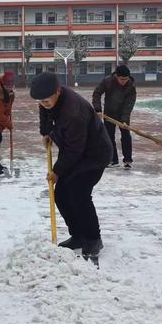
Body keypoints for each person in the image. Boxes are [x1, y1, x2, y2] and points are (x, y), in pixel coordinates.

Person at [30, 72, 112, 258]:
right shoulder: (50, 99)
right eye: (41, 101)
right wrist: (46, 132)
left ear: (58, 91)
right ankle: (78, 235)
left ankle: (93, 239)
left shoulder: (73, 113)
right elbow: (45, 110)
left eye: (47, 100)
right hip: (77, 153)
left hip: (94, 156)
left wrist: (57, 171)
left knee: (78, 194)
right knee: (61, 194)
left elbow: (74, 150)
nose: (44, 103)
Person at [92, 64, 136, 169]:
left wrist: (124, 120)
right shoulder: (107, 81)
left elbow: (129, 104)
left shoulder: (131, 86)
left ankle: (127, 160)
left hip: (123, 114)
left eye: (126, 79)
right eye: (122, 79)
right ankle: (113, 159)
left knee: (125, 136)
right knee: (109, 137)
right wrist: (98, 109)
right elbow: (97, 93)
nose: (124, 81)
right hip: (109, 114)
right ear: (116, 76)